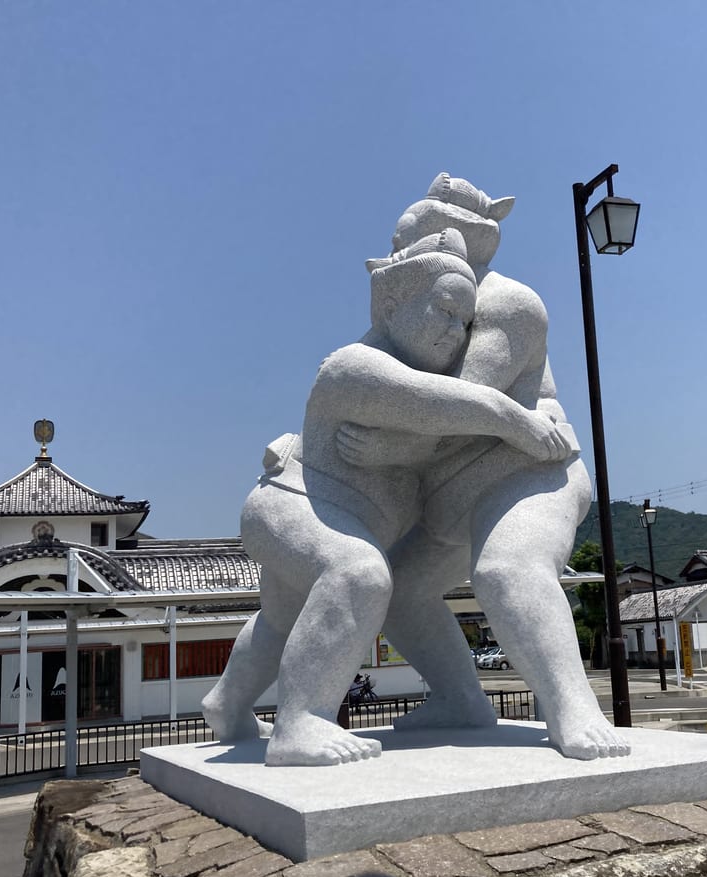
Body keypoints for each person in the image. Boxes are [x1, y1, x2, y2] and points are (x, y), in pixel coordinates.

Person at [202, 229, 573, 766]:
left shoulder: (426, 378)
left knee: (283, 620)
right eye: (444, 310)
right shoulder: (352, 365)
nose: (455, 331)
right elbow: (443, 405)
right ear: (393, 304)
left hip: (342, 518)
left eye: (465, 321)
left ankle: (227, 704)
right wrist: (521, 422)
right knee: (359, 576)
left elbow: (443, 424)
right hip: (294, 504)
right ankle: (299, 722)